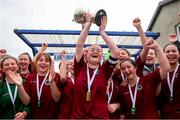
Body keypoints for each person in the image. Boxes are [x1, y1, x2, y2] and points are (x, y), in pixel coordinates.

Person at [71, 13, 119, 119]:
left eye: (98, 50)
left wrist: (102, 31)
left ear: (101, 56)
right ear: (86, 55)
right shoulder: (80, 67)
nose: (95, 51)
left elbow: (115, 52)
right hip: (78, 117)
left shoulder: (105, 70)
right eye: (92, 50)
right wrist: (88, 24)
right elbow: (79, 45)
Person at [118, 39, 170, 119]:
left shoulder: (148, 80)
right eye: (123, 69)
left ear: (135, 68)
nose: (127, 70)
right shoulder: (122, 88)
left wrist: (157, 48)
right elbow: (123, 112)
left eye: (128, 67)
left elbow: (166, 68)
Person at [160, 42, 180, 118]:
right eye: (167, 52)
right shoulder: (160, 73)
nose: (171, 54)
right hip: (165, 114)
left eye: (174, 51)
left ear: (179, 54)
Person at [58, 51, 74, 119]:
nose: (73, 66)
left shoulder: (84, 81)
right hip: (65, 115)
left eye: (75, 64)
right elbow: (62, 77)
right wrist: (63, 58)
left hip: (79, 115)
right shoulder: (66, 81)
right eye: (70, 64)